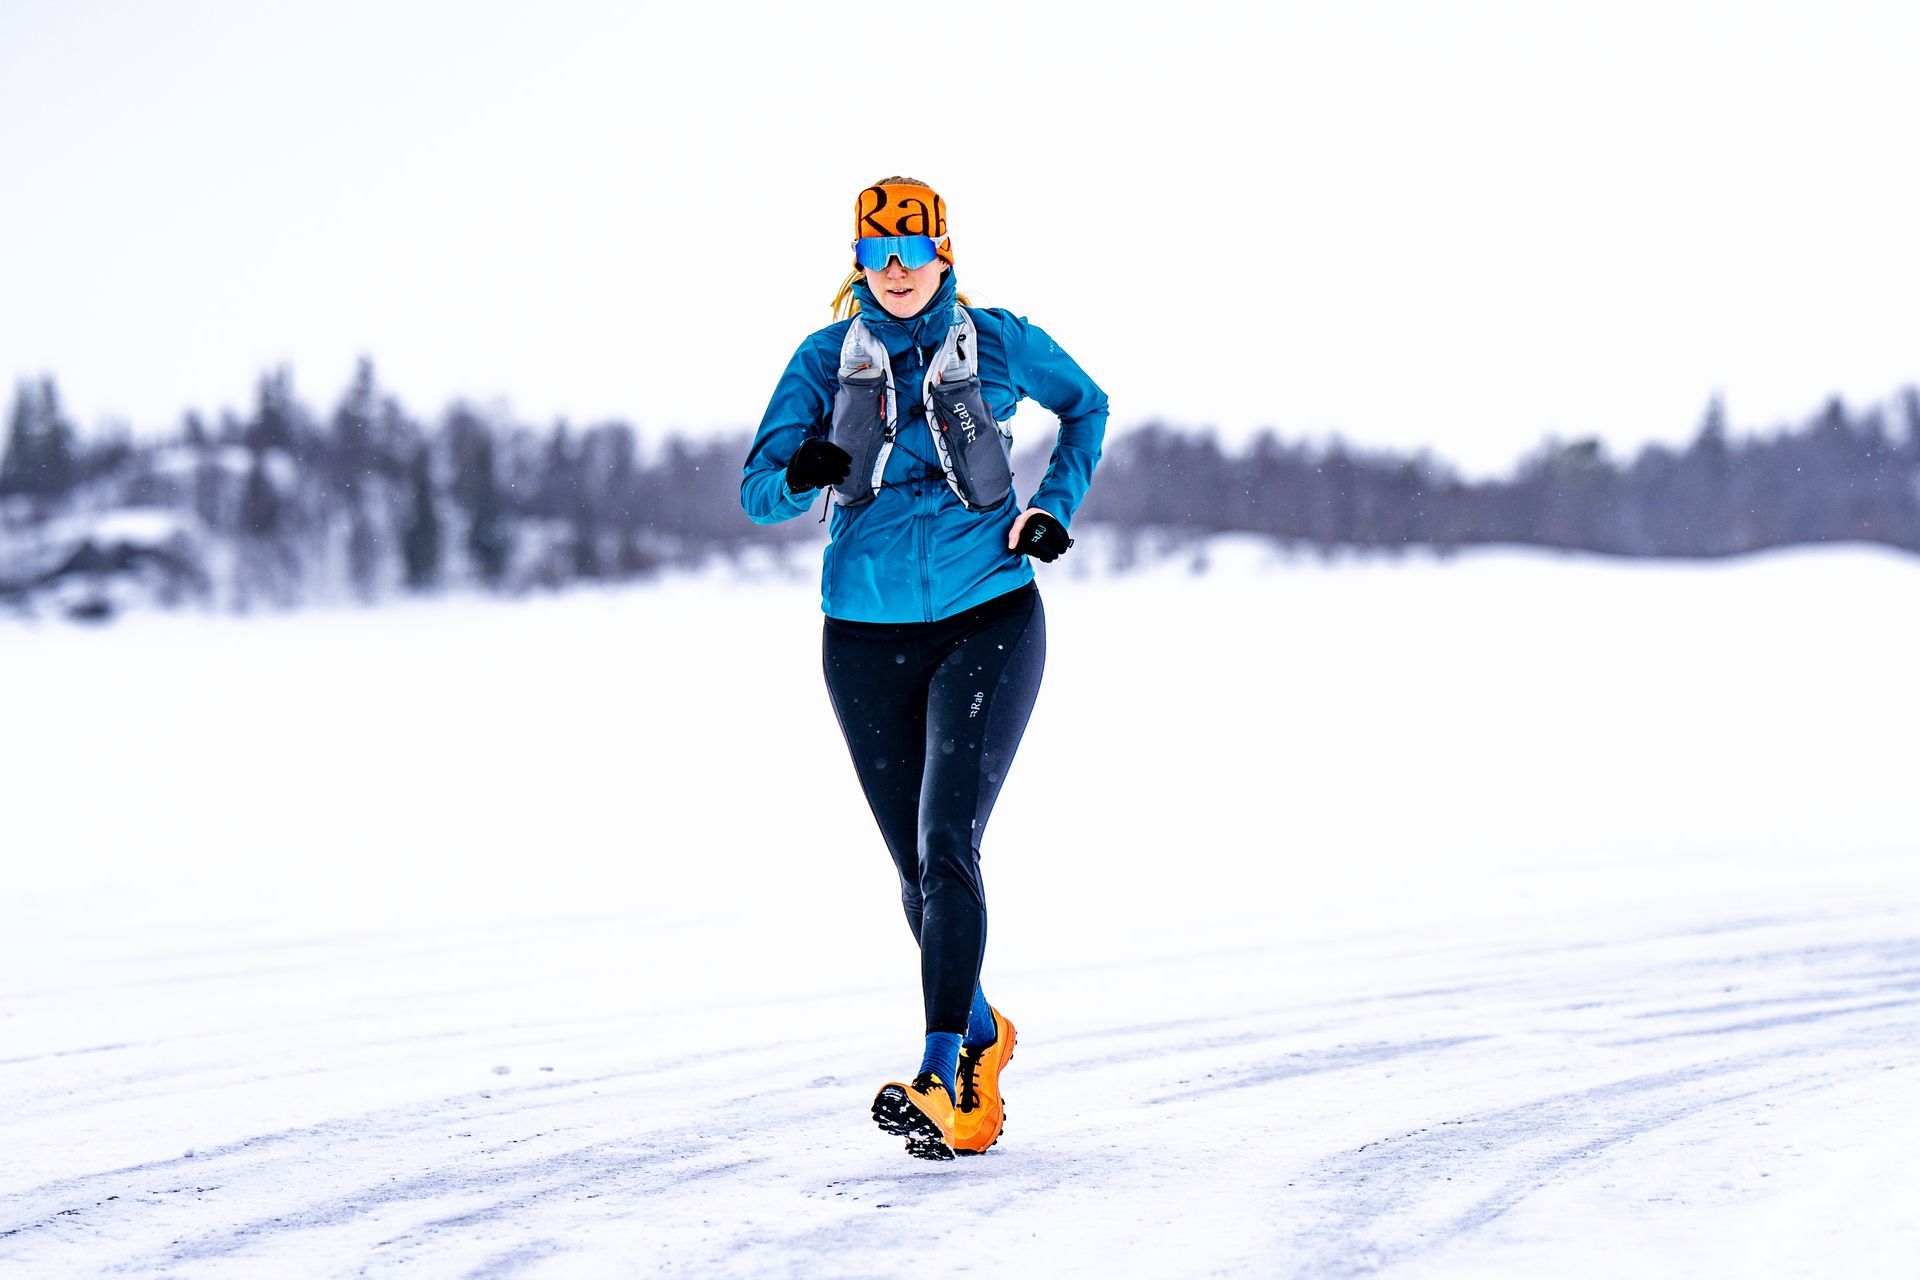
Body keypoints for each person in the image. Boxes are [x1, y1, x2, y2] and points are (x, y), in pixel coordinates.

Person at [740, 177, 1108, 1161]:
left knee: (949, 841)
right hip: (860, 637)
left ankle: (943, 1076)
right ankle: (982, 1029)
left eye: (913, 252)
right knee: (916, 871)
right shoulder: (822, 361)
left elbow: (1089, 407)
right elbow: (757, 492)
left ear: (946, 254)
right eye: (878, 254)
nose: (897, 271)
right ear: (858, 263)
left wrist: (1052, 508)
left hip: (989, 615)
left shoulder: (999, 342)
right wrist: (802, 471)